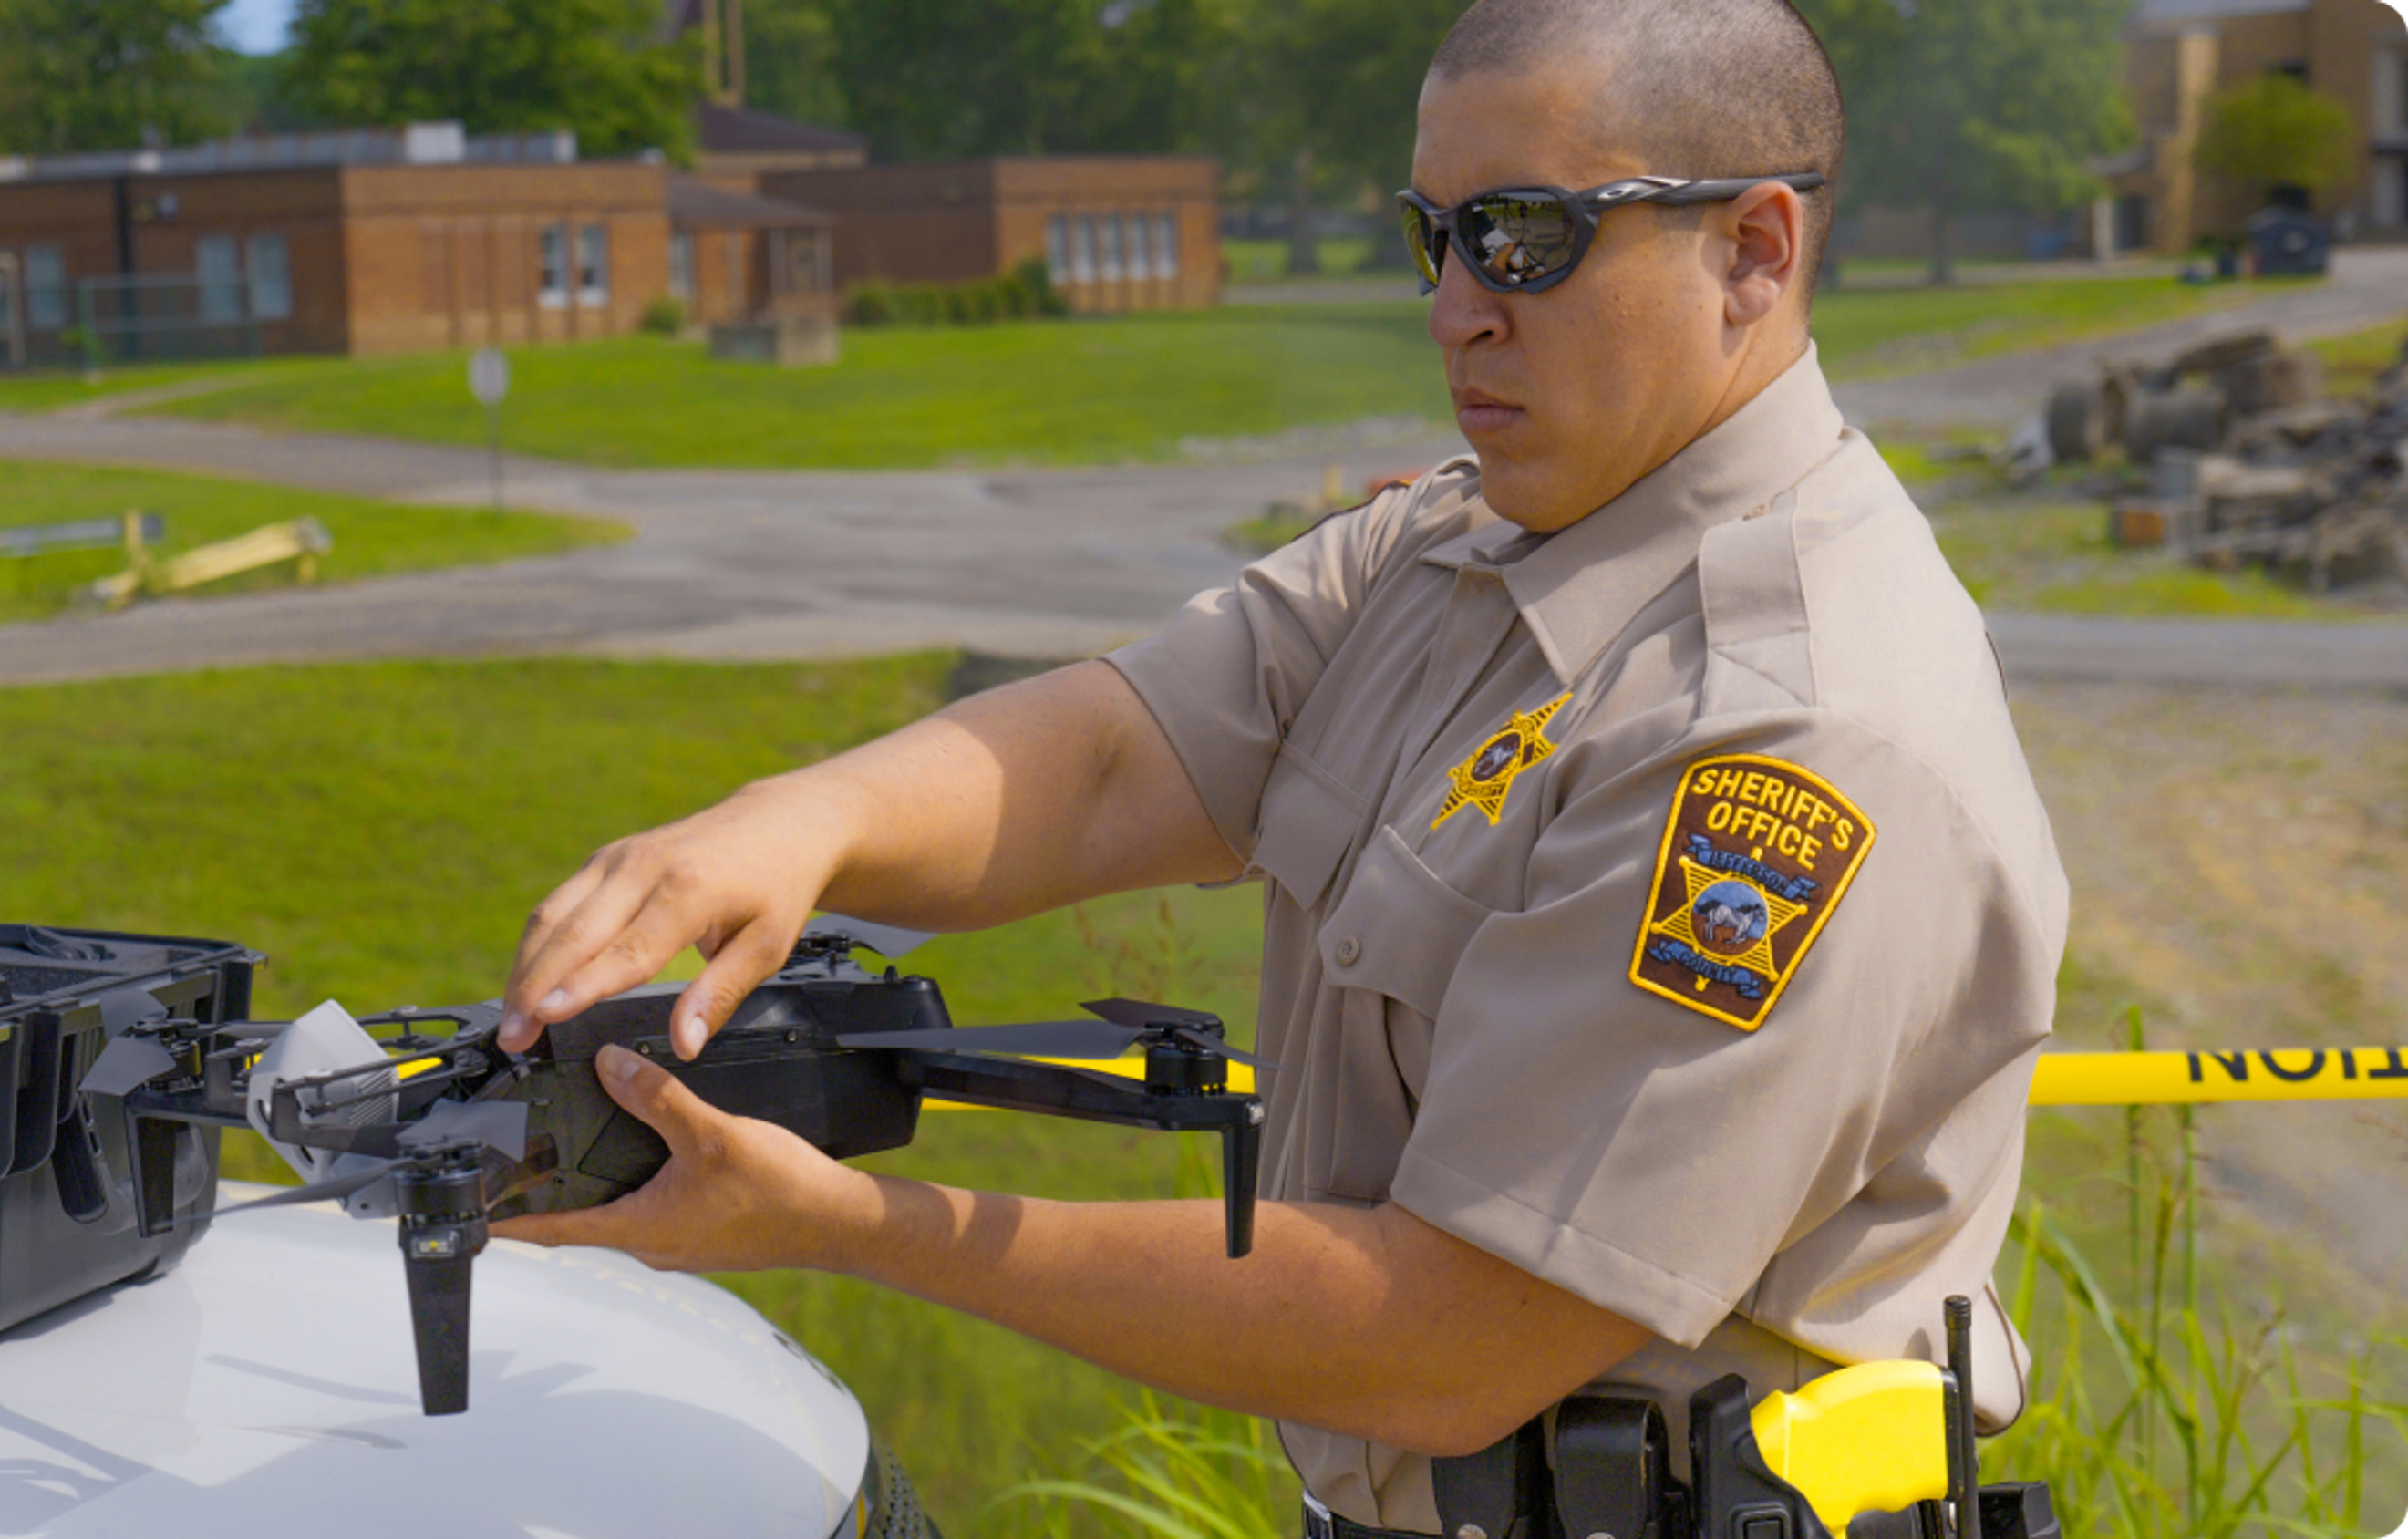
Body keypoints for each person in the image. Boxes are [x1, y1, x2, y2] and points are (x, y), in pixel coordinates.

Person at [490, 0, 2070, 1533]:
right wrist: (793, 824)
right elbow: (1119, 757)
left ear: (1754, 250)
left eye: (1526, 236)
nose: (1456, 305)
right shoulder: (1455, 545)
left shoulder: (1787, 730)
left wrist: (857, 1228)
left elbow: (1450, 1337)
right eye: (1431, 233)